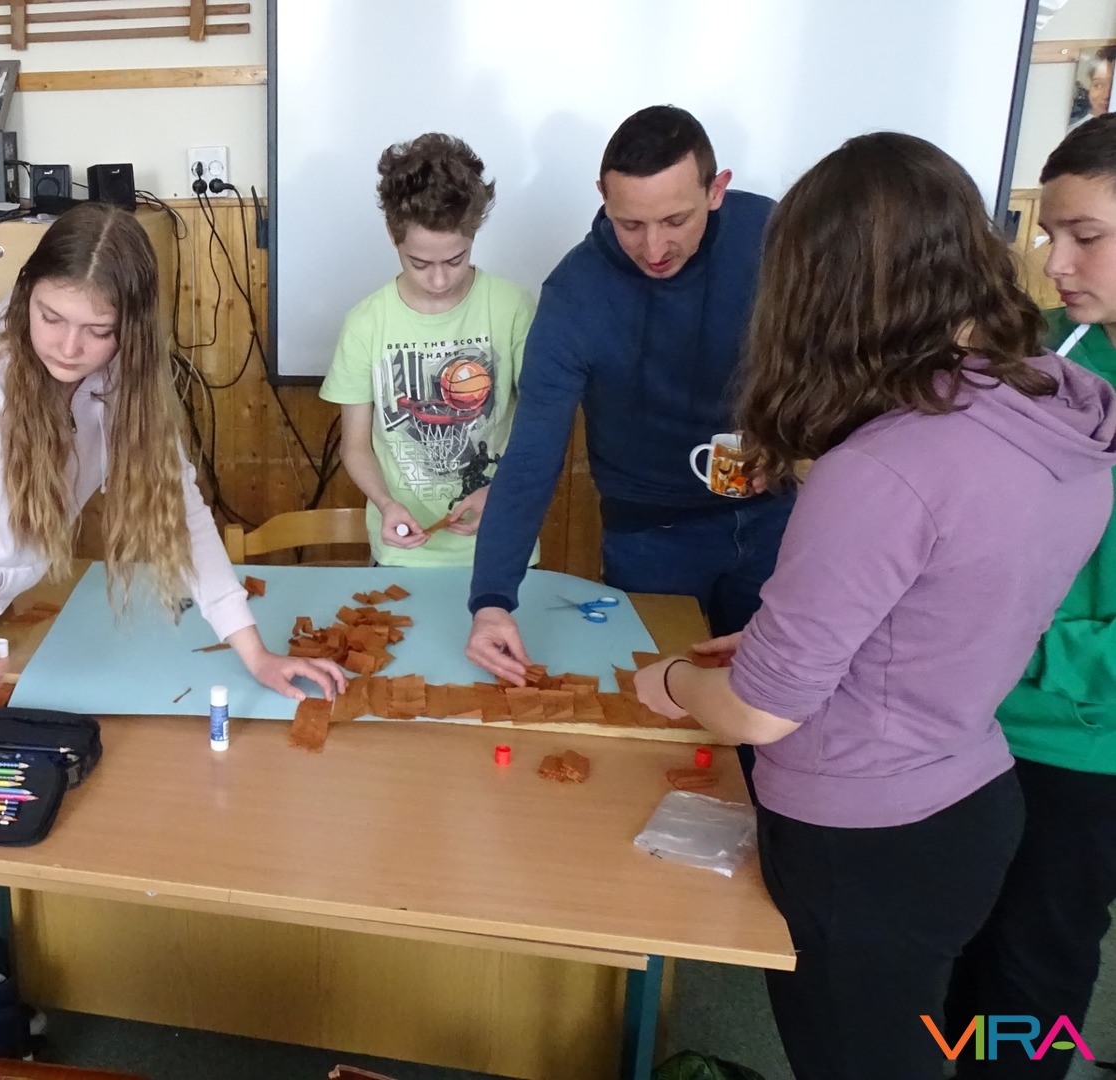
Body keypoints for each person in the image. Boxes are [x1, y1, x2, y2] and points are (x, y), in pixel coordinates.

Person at [630, 133, 1116, 1080]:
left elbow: (763, 711)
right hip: (971, 792)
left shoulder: (885, 467)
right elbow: (946, 606)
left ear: (826, 289)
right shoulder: (1060, 414)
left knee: (870, 1050)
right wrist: (792, 642)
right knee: (951, 1026)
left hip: (865, 838)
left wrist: (677, 680)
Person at [0, 202, 347, 939]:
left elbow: (182, 513)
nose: (70, 346)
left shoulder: (126, 383)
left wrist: (253, 652)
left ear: (130, 330)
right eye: (51, 317)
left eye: (97, 330)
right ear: (26, 293)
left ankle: (0, 929)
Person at [464, 105, 793, 686]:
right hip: (651, 537)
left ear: (717, 190)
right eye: (631, 224)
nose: (655, 247)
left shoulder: (773, 236)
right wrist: (492, 600)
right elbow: (533, 454)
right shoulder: (575, 294)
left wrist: (793, 443)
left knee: (775, 698)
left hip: (776, 516)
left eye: (675, 220)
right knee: (661, 701)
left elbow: (836, 355)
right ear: (603, 196)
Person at [944, 114, 1116, 1080]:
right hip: (978, 718)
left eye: (1085, 236)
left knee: (1034, 966)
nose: (1054, 264)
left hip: (1084, 748)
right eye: (1049, 234)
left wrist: (1023, 648)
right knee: (962, 943)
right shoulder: (1049, 349)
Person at [319, 133, 535, 566]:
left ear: (473, 233)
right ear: (392, 235)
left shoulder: (512, 308)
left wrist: (500, 490)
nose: (439, 280)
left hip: (501, 547)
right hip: (403, 554)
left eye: (455, 260)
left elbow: (539, 427)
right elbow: (355, 445)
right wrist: (385, 503)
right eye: (419, 263)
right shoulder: (366, 322)